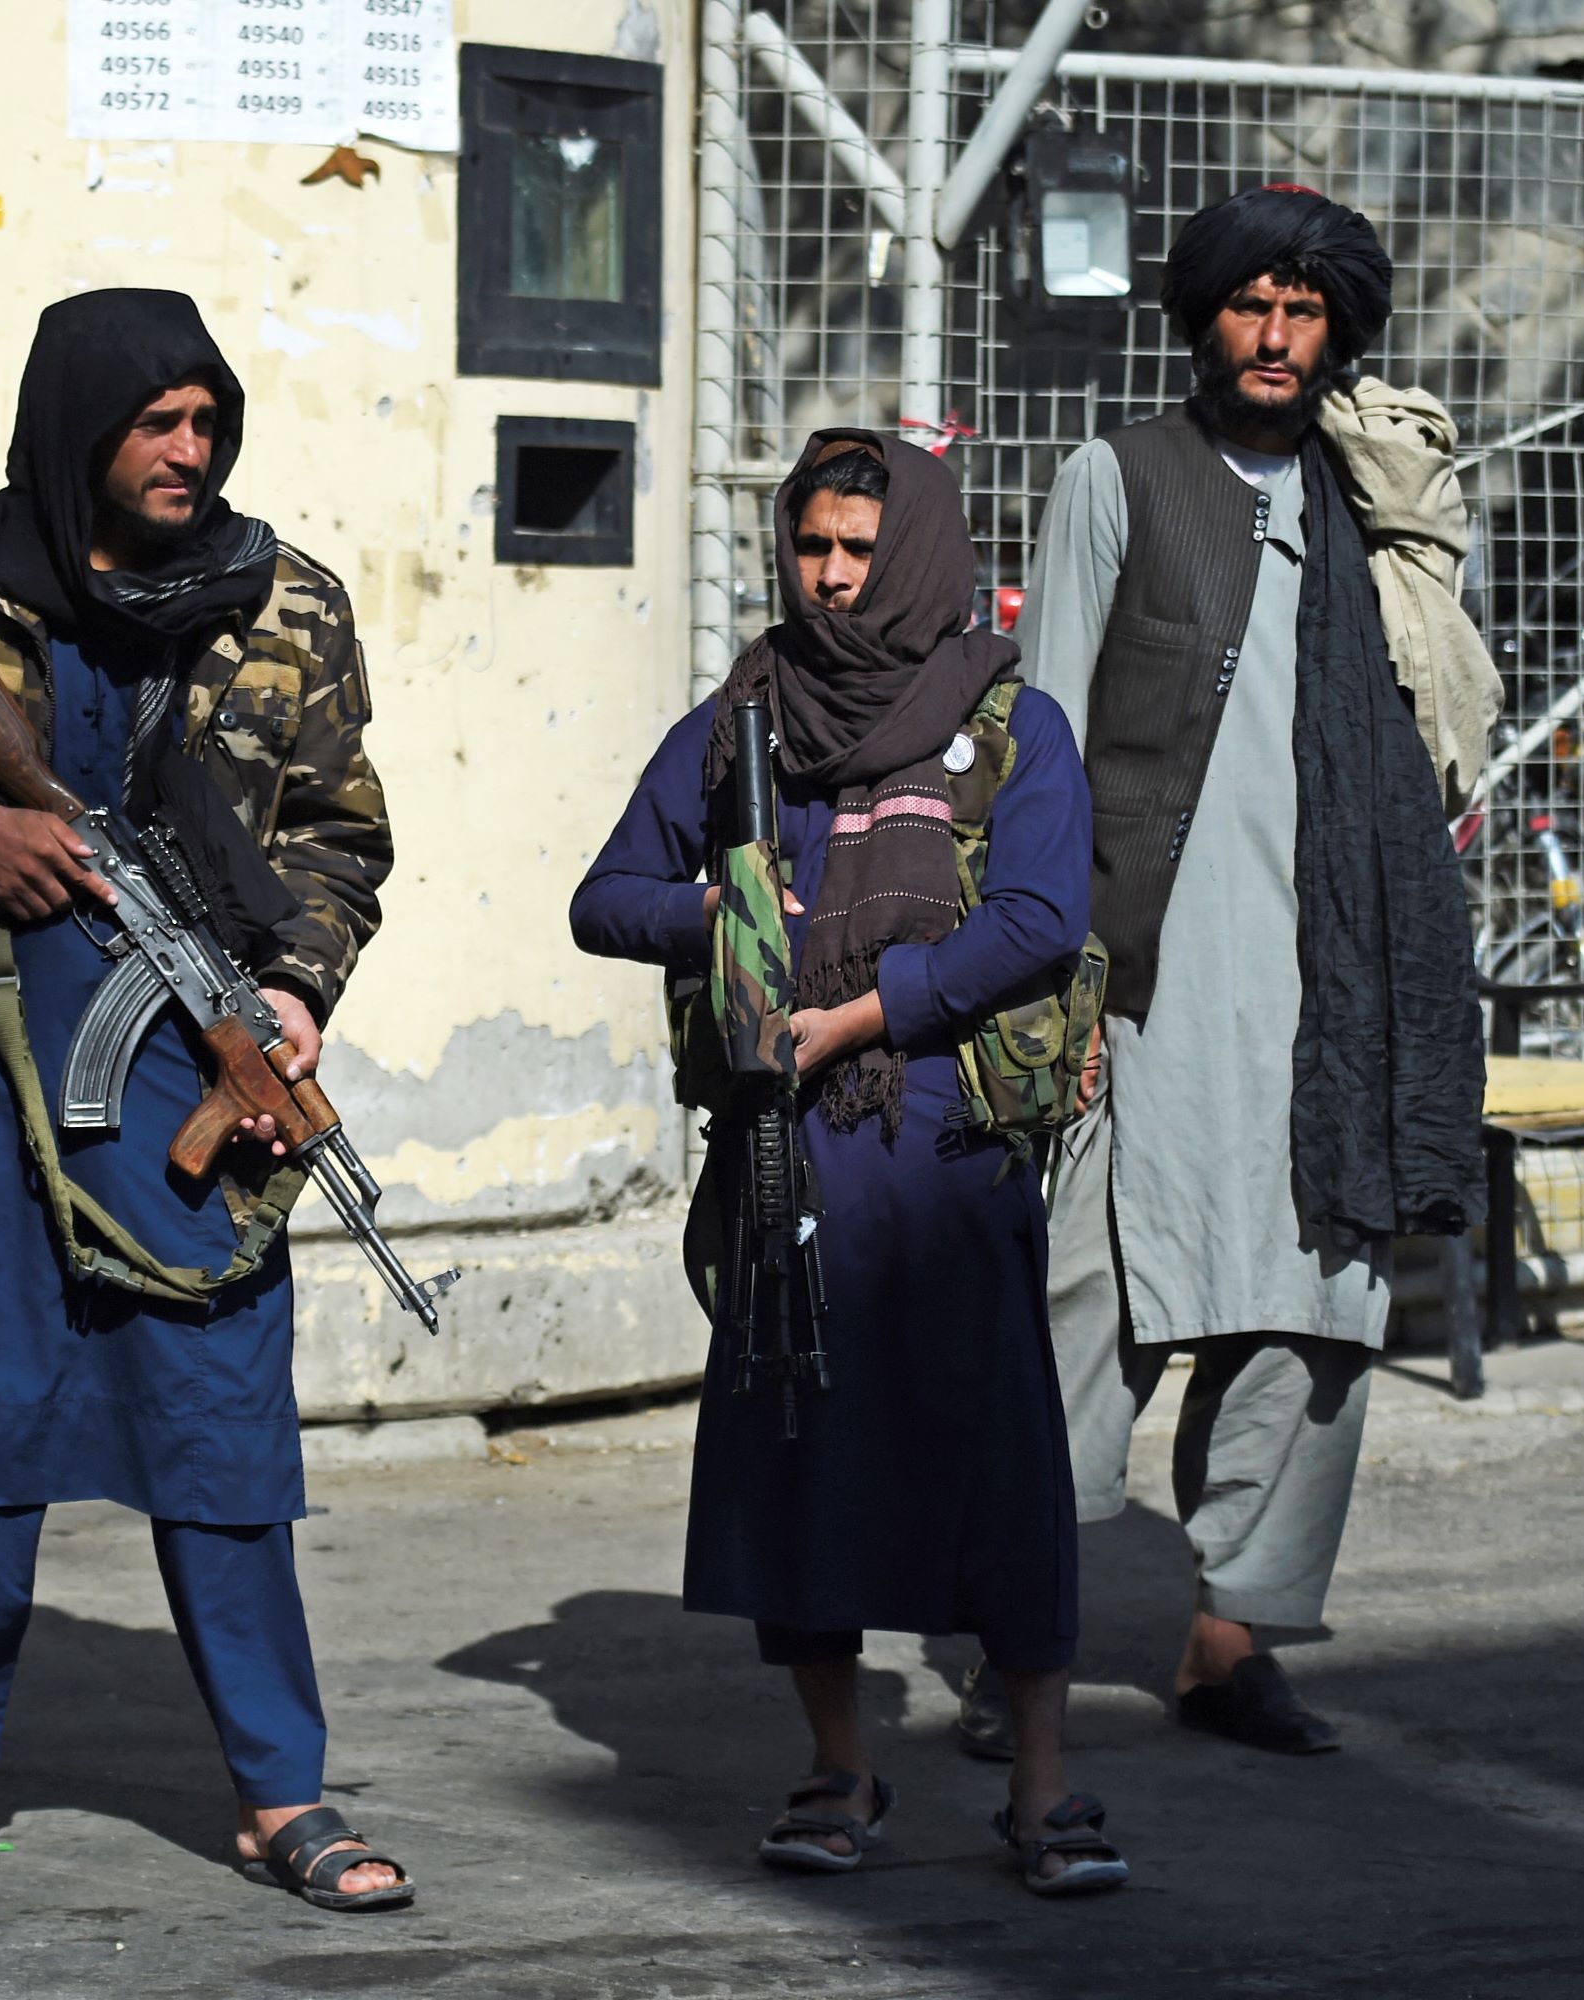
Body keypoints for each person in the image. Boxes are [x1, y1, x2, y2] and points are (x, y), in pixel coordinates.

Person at [0, 290, 411, 1912]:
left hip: (186, 1087)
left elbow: (339, 834)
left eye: (210, 420)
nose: (191, 451)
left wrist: (293, 991)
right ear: (78, 426)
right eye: (156, 422)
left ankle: (283, 1796)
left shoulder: (289, 603)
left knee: (221, 1442)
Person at [953, 186, 1487, 1760]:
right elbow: (1040, 744)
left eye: (1305, 312)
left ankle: (1230, 1639)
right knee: (1080, 1317)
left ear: (1341, 329)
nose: (1275, 336)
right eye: (1251, 306)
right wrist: (1058, 986)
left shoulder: (1373, 501)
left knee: (1317, 1316)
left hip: (1338, 986)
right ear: (1204, 318)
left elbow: (1444, 725)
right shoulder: (1117, 479)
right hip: (1143, 982)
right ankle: (1023, 1646)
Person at [570, 433, 1126, 1896]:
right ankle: (839, 1769)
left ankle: (1046, 1792)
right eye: (809, 547)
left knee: (999, 1471)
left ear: (922, 555)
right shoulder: (737, 724)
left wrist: (869, 1012)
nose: (829, 577)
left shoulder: (1012, 726)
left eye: (859, 551)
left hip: (948, 1151)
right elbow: (604, 899)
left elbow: (1033, 924)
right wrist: (730, 908)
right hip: (785, 1151)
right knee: (799, 1468)